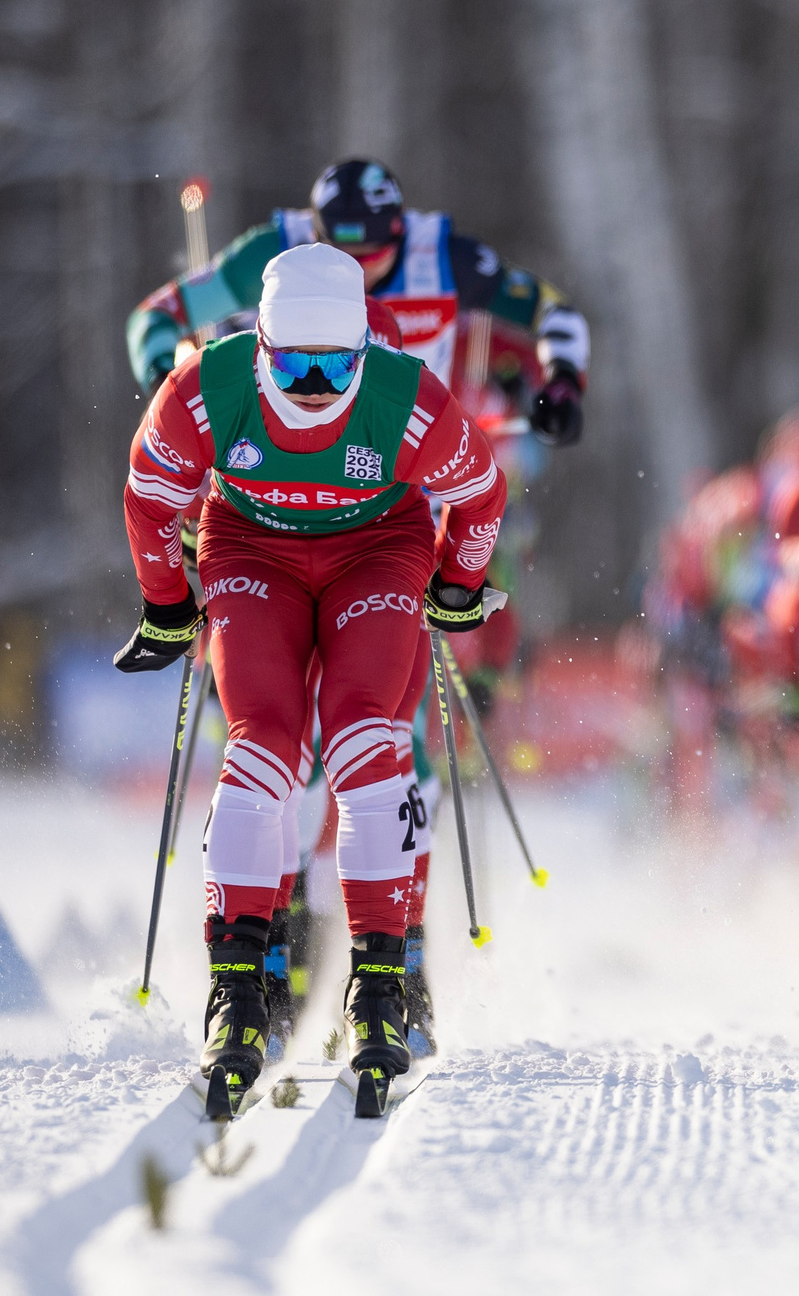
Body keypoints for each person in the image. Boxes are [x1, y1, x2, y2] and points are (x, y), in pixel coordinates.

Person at [115, 243, 508, 1117]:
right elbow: (148, 496)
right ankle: (240, 989)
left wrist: (457, 584)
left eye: (339, 364)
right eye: (296, 363)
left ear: (366, 347)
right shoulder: (202, 389)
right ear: (260, 345)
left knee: (370, 741)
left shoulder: (408, 400)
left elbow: (481, 494)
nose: (319, 384)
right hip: (252, 549)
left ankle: (379, 986)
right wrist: (168, 602)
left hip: (377, 550)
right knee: (263, 747)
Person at [126, 156, 589, 440]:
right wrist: (161, 381)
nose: (354, 272)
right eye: (338, 254)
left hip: (410, 484)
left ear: (400, 234)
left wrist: (562, 382)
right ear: (315, 232)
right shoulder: (273, 252)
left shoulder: (446, 259)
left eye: (372, 258)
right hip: (290, 482)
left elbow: (553, 312)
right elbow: (158, 315)